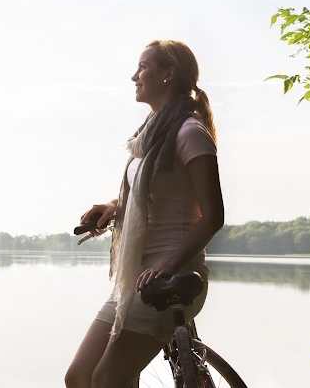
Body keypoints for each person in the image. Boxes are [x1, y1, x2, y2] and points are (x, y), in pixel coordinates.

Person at [64, 40, 226, 388]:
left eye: (143, 67)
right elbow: (153, 195)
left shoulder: (189, 132)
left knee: (108, 379)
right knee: (78, 377)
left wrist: (166, 266)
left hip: (170, 273)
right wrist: (113, 208)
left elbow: (213, 216)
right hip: (136, 275)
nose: (134, 76)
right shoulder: (150, 137)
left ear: (168, 74)